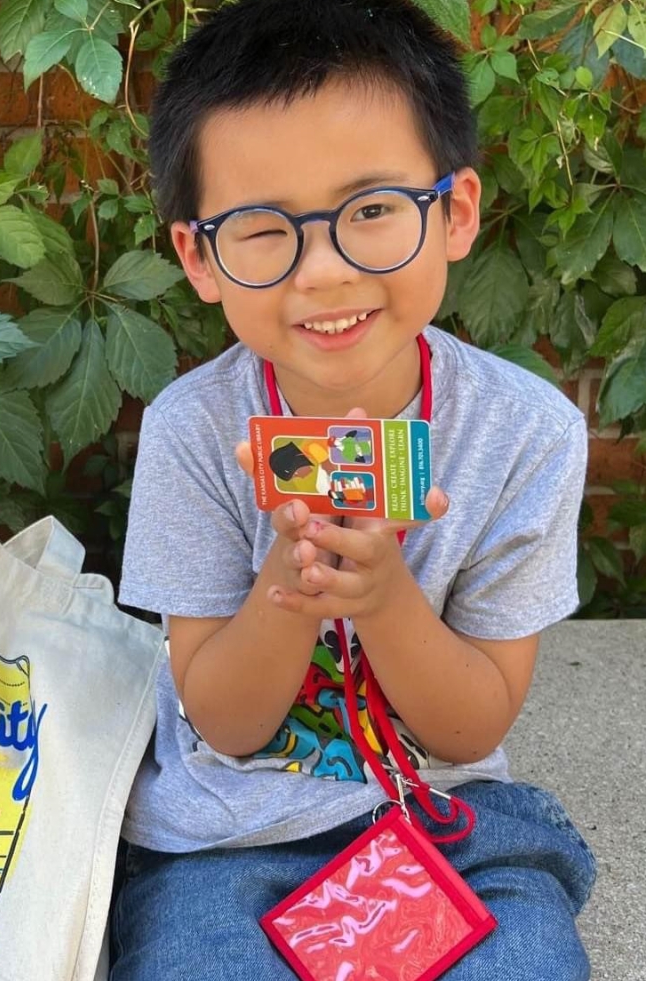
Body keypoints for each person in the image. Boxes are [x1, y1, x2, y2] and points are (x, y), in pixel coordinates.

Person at [113, 1, 597, 978]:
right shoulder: (190, 432)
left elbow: (470, 727)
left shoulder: (525, 433)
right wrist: (289, 582)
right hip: (226, 835)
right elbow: (226, 724)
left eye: (371, 210)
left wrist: (381, 598)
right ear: (198, 256)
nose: (324, 272)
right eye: (262, 227)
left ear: (454, 213)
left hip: (447, 814)